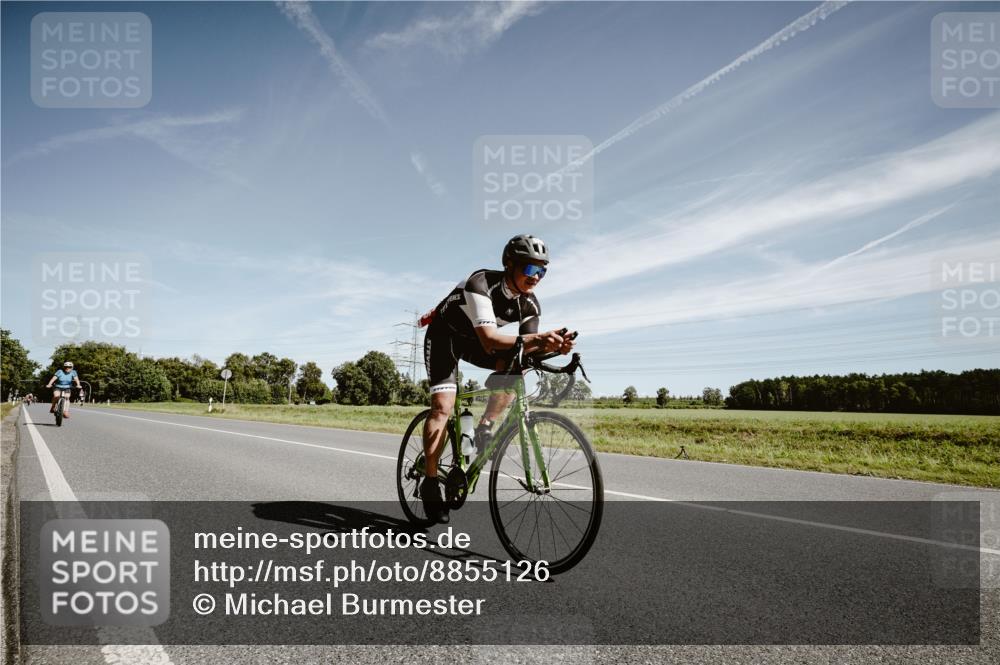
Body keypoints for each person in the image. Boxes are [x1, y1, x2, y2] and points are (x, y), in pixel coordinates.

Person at [419, 234, 575, 523]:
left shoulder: (529, 305)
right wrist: (539, 338)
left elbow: (527, 345)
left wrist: (555, 347)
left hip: (475, 342)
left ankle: (484, 427)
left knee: (518, 362)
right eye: (530, 269)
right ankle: (429, 483)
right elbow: (490, 340)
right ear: (509, 264)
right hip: (446, 337)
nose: (537, 277)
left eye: (543, 270)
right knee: (443, 407)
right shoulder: (481, 282)